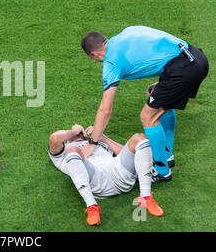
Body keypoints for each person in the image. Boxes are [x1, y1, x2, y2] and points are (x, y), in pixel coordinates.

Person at [81, 26, 209, 182]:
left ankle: (162, 171)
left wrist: (93, 142)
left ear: (94, 54)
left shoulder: (111, 62)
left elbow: (105, 109)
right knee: (154, 95)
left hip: (182, 70)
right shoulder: (126, 33)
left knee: (147, 116)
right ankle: (167, 155)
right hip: (196, 57)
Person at [48, 124, 164, 226]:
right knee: (73, 151)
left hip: (121, 175)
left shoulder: (96, 142)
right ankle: (92, 206)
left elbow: (129, 153)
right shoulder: (63, 152)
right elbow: (54, 139)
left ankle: (145, 197)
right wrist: (72, 132)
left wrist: (102, 137)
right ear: (66, 140)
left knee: (139, 138)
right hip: (96, 180)